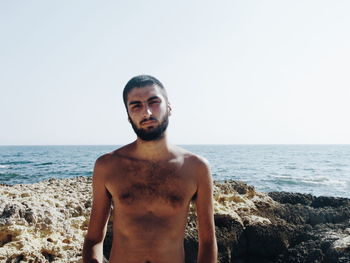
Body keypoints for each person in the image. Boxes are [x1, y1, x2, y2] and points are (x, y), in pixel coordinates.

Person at [83, 75, 217, 263]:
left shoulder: (196, 167)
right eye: (136, 106)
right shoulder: (107, 166)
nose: (146, 112)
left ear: (169, 107)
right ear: (128, 116)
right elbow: (94, 239)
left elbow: (208, 242)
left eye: (153, 102)